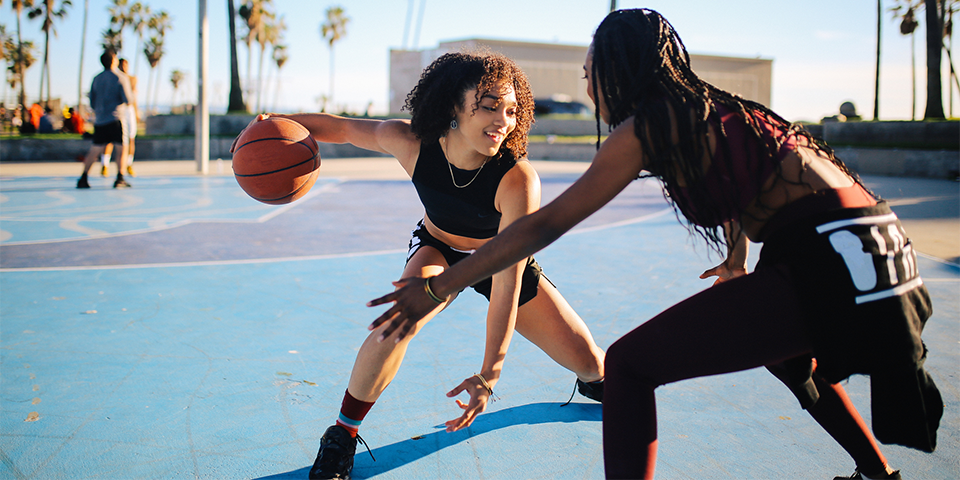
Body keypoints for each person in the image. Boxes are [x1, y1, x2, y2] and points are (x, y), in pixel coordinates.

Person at [368, 9, 940, 480]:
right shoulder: (718, 108)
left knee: (630, 366)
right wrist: (738, 257)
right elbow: (766, 175)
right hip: (881, 248)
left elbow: (542, 228)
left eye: (591, 71)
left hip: (827, 257)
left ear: (619, 71)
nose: (587, 83)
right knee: (791, 359)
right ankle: (876, 475)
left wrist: (441, 286)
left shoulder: (646, 127)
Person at [231, 51, 606, 480]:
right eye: (488, 106)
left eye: (510, 110)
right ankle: (342, 436)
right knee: (396, 322)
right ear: (452, 106)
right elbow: (340, 127)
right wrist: (271, 124)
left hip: (498, 261)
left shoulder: (518, 180)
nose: (502, 120)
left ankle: (596, 377)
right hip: (438, 248)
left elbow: (505, 285)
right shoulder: (409, 142)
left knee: (590, 363)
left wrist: (489, 375)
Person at [77, 49, 133, 189]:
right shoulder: (120, 77)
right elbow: (128, 100)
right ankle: (120, 177)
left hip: (100, 120)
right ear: (114, 61)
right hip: (116, 119)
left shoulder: (96, 78)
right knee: (121, 149)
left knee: (95, 149)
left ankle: (83, 177)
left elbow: (92, 101)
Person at [103, 58, 139, 177]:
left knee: (130, 138)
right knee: (112, 139)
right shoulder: (115, 78)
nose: (123, 67)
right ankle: (105, 164)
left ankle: (128, 164)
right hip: (118, 111)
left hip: (129, 111)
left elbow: (133, 98)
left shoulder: (132, 79)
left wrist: (136, 111)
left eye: (125, 64)